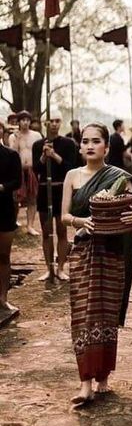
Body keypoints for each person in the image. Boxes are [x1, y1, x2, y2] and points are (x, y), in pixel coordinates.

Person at [61, 123, 132, 405]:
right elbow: (63, 216)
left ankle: (103, 378)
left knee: (106, 314)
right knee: (82, 314)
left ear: (107, 147)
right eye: (85, 141)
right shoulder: (72, 176)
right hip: (84, 250)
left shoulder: (119, 177)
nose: (89, 146)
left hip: (112, 251)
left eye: (96, 141)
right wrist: (79, 220)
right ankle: (84, 381)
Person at [32, 111, 77, 281]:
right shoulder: (38, 145)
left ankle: (60, 268)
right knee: (46, 232)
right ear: (46, 123)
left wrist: (54, 155)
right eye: (51, 121)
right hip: (44, 190)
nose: (54, 124)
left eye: (57, 121)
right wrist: (44, 156)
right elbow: (36, 170)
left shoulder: (68, 143)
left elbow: (70, 167)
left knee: (62, 230)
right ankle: (49, 267)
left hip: (61, 189)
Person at [0, 126, 22, 317]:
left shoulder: (10, 155)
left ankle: (3, 297)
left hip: (5, 209)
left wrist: (2, 187)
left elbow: (17, 181)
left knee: (4, 255)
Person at [9, 110, 42, 235]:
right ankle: (13, 222)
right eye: (23, 120)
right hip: (18, 170)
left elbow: (40, 152)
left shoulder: (36, 135)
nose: (25, 122)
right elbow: (12, 153)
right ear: (19, 122)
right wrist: (17, 139)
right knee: (15, 199)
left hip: (32, 170)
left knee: (32, 198)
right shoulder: (13, 136)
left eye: (27, 120)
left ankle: (30, 226)